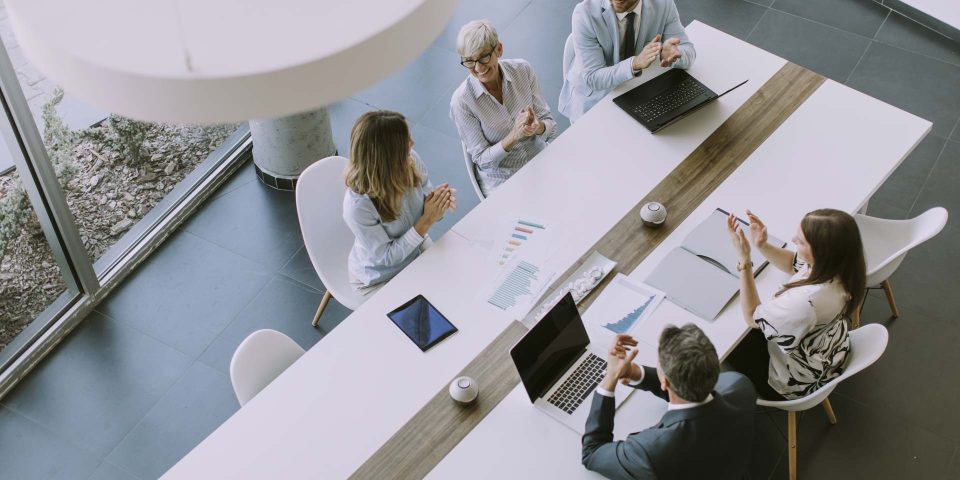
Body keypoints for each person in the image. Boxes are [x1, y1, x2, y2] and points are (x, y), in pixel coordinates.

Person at [582, 324, 756, 480]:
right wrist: (636, 373)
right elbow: (690, 387)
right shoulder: (740, 386)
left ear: (664, 382)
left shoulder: (649, 451)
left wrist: (610, 377)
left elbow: (593, 452)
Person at [724, 209, 865, 400]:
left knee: (723, 349)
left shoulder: (805, 302)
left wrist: (745, 261)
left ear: (821, 251)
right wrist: (762, 245)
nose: (793, 240)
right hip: (829, 351)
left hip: (793, 381)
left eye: (800, 241)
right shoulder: (842, 266)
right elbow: (793, 264)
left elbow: (751, 316)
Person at [342, 110, 456, 293]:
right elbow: (387, 257)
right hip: (379, 278)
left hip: (414, 252)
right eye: (405, 140)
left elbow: (428, 203)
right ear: (387, 155)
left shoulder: (410, 160)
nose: (412, 142)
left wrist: (438, 204)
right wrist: (427, 219)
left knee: (456, 286)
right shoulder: (358, 207)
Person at [450, 20, 557, 197]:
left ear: (499, 49)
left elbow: (551, 126)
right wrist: (514, 136)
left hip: (540, 161)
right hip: (504, 182)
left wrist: (538, 127)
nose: (478, 68)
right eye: (469, 61)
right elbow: (483, 161)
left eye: (484, 56)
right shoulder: (462, 102)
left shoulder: (522, 70)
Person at [559, 0, 696, 123]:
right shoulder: (584, 13)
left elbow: (689, 52)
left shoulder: (663, 4)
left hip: (636, 92)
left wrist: (672, 55)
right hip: (595, 99)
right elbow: (593, 78)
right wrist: (634, 64)